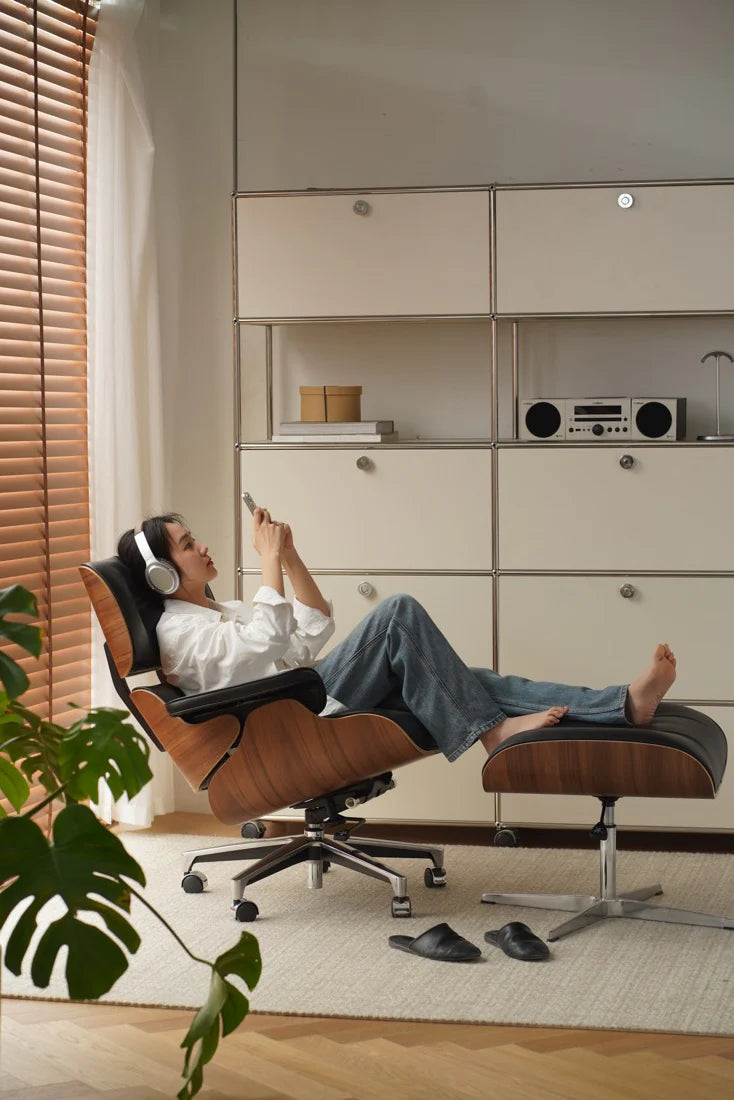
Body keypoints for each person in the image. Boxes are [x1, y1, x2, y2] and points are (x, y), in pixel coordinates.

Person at [117, 510, 677, 762]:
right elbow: (265, 645)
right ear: (163, 573)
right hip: (285, 724)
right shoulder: (179, 634)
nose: (204, 547)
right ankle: (490, 735)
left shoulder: (222, 612)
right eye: (190, 545)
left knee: (468, 682)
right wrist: (265, 563)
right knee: (398, 614)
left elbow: (311, 631)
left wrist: (288, 559)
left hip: (302, 695)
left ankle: (622, 704)